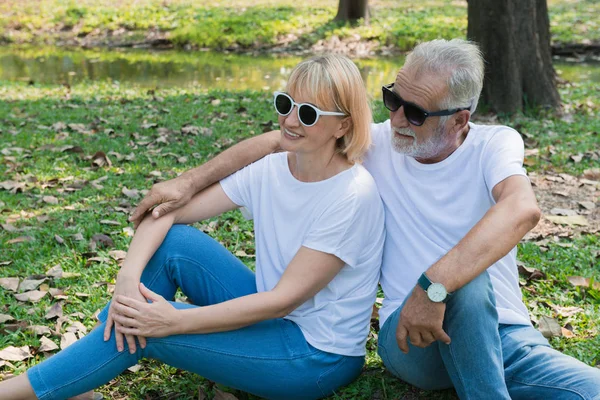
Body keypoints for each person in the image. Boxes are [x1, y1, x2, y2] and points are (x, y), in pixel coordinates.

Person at [126, 39, 600, 399]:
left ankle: (483, 370)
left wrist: (432, 286)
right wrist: (188, 182)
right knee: (466, 284)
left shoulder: (494, 145)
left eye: (415, 113)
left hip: (505, 334)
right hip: (411, 337)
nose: (396, 119)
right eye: (394, 99)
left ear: (459, 121)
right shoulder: (379, 143)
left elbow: (521, 209)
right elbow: (279, 140)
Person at [0, 54, 386, 400]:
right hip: (272, 315)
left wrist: (175, 320)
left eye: (308, 114)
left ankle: (22, 392)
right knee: (175, 244)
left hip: (314, 356)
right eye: (285, 104)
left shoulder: (352, 196)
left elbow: (283, 300)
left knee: (146, 325)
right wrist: (127, 276)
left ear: (342, 126)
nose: (288, 120)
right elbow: (167, 213)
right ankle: (76, 376)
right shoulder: (272, 168)